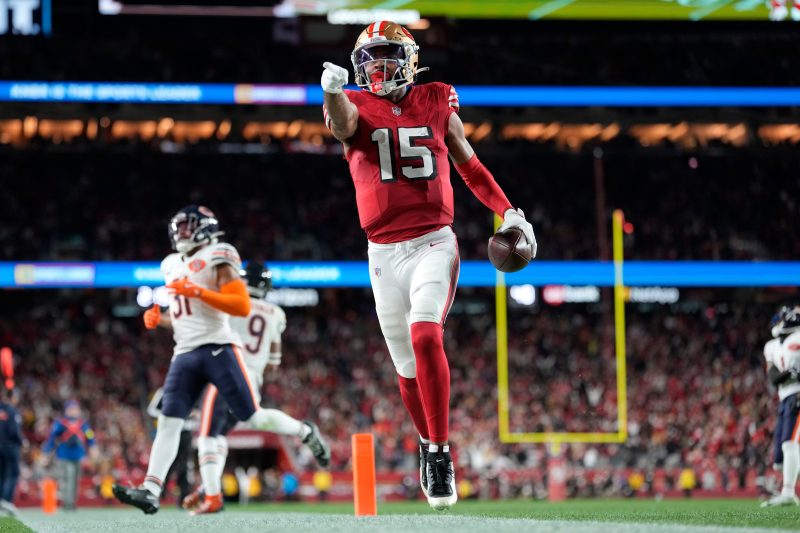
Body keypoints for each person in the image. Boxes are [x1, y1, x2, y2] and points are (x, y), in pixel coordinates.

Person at [320, 21, 536, 510]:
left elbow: (470, 166)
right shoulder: (350, 102)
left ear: (409, 60)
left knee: (424, 335)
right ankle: (426, 441)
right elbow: (344, 125)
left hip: (432, 242)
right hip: (382, 252)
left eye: (386, 57)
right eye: (369, 60)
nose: (377, 68)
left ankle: (439, 454)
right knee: (405, 367)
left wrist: (509, 212)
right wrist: (332, 91)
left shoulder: (437, 98)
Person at [113, 205, 330, 515]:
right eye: (179, 227)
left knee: (253, 417)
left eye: (188, 227)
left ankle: (303, 431)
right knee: (170, 421)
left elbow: (241, 305)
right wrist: (160, 319)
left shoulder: (219, 254)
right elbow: (186, 314)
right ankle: (151, 489)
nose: (181, 233)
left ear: (204, 228)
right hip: (184, 352)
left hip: (218, 348)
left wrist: (198, 292)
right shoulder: (171, 264)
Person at [181, 262, 329, 514]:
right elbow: (273, 362)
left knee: (208, 434)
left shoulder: (229, 304)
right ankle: (304, 431)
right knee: (241, 424)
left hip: (228, 372)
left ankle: (212, 493)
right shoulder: (275, 313)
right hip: (253, 378)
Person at [762, 305, 800, 507]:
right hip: (784, 397)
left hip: (797, 394)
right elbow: (773, 378)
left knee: (790, 445)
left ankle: (788, 492)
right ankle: (788, 488)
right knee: (779, 461)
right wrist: (791, 373)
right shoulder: (772, 346)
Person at [42, 399, 96, 510]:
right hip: (64, 455)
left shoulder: (82, 424)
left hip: (78, 455)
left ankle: (73, 502)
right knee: (66, 479)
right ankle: (67, 502)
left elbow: (90, 435)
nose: (73, 411)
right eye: (71, 409)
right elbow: (52, 438)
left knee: (75, 480)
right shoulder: (61, 423)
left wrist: (93, 446)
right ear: (66, 410)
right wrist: (47, 452)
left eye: (75, 409)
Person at [146, 387, 195, 507]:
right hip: (170, 431)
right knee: (166, 463)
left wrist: (192, 417)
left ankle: (183, 498)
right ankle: (157, 493)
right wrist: (170, 416)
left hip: (186, 433)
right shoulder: (164, 391)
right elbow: (151, 410)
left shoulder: (192, 391)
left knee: (185, 465)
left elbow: (196, 414)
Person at [0, 387, 21, 516]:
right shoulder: (12, 411)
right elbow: (14, 431)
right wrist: (21, 442)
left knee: (1, 473)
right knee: (14, 473)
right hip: (10, 446)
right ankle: (6, 500)